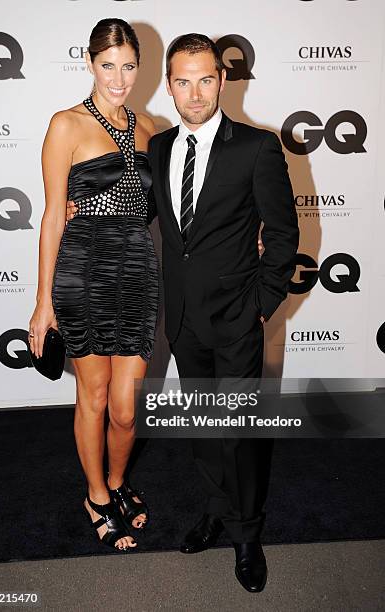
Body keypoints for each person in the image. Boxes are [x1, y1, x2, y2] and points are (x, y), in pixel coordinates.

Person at [67, 33, 299, 592]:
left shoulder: (257, 147)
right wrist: (83, 212)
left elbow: (285, 235)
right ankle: (217, 511)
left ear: (222, 81)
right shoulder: (160, 146)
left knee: (239, 429)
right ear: (168, 85)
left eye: (205, 79)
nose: (194, 93)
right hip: (181, 317)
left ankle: (247, 535)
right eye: (182, 80)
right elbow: (133, 209)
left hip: (238, 316)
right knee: (203, 424)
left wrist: (261, 306)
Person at [29, 18, 159, 552]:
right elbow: (53, 216)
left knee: (127, 408)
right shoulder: (65, 125)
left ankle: (119, 480)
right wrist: (43, 304)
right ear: (89, 63)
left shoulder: (149, 127)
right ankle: (97, 496)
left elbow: (161, 207)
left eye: (128, 66)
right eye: (108, 65)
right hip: (83, 271)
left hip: (136, 271)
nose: (119, 77)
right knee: (96, 394)